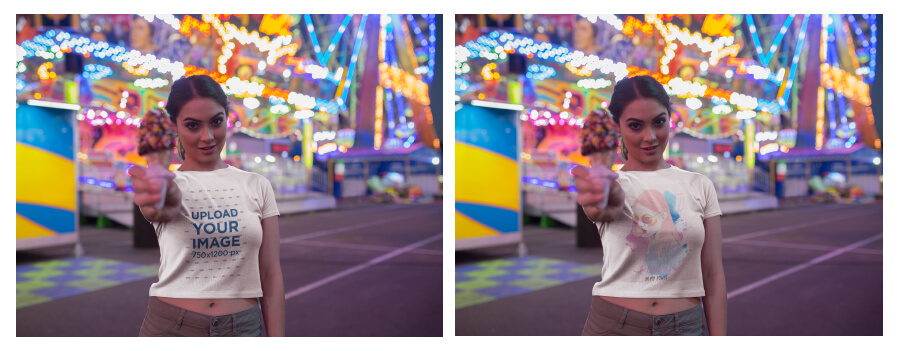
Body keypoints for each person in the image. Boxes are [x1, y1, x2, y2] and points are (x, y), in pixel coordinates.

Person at [130, 75, 285, 336]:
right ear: (175, 128)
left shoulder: (257, 185)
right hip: (171, 328)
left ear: (227, 117)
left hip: (242, 329)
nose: (208, 136)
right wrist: (158, 200)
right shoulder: (168, 183)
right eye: (193, 125)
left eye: (216, 121)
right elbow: (162, 206)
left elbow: (270, 275)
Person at [574, 75, 727, 336]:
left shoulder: (700, 185)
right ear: (618, 128)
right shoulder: (612, 183)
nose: (650, 136)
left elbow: (712, 275)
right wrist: (600, 198)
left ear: (670, 117)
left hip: (684, 329)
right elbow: (605, 206)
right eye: (635, 126)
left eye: (659, 122)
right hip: (613, 327)